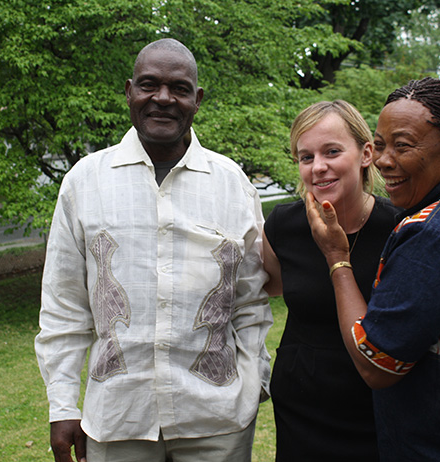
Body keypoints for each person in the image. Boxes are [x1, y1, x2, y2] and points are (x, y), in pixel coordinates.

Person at [34, 38, 272, 462]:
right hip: (117, 418)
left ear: (197, 99)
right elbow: (64, 306)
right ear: (129, 91)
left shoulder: (232, 183)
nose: (162, 98)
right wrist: (63, 405)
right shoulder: (84, 181)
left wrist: (257, 380)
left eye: (179, 88)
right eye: (149, 85)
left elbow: (251, 302)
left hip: (217, 421)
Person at [306, 77, 440, 460]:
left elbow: (376, 365)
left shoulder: (431, 237)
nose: (385, 160)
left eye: (403, 146)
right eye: (381, 144)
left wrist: (337, 257)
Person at [263, 100, 400, 461]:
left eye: (332, 152)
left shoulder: (400, 229)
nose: (318, 167)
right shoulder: (283, 226)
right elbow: (271, 286)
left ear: (366, 153)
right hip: (301, 408)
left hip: (378, 407)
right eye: (306, 157)